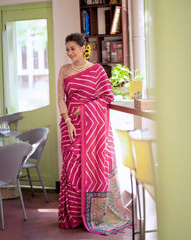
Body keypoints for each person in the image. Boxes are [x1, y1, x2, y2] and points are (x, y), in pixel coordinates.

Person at [57, 33, 131, 235]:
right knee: (72, 169)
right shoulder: (64, 70)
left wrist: (86, 109)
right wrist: (68, 120)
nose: (69, 53)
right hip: (70, 127)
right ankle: (74, 216)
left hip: (93, 129)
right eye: (67, 49)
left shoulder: (97, 70)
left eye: (73, 48)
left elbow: (107, 96)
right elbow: (61, 98)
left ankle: (94, 214)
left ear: (83, 48)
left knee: (93, 168)